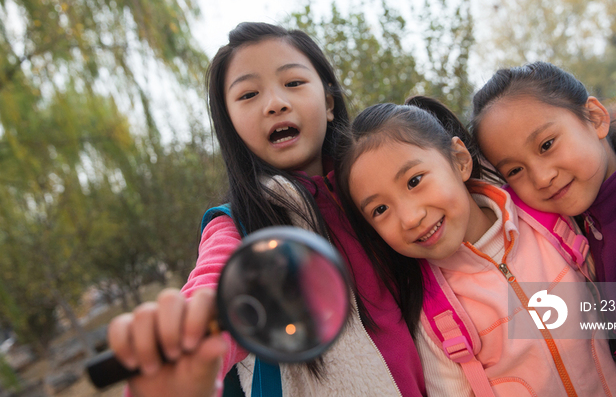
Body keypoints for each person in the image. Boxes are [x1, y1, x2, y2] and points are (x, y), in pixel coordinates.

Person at [106, 22, 426, 397]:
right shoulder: (237, 229)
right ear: (231, 124)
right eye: (248, 94)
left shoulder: (380, 190)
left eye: (293, 83)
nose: (275, 103)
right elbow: (211, 291)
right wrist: (185, 358)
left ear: (328, 102)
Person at [333, 96, 616, 397]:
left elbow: (614, 314)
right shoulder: (434, 314)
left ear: (460, 160)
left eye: (414, 181)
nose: (410, 218)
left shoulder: (550, 223)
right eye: (380, 210)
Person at [471, 61, 616, 397]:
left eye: (547, 145)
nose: (541, 176)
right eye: (516, 170)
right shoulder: (582, 238)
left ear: (595, 117)